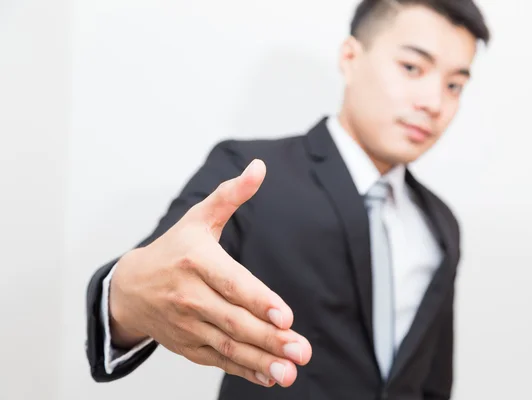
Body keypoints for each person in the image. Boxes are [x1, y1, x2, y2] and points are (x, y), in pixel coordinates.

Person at [85, 1, 490, 399]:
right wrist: (126, 294)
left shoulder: (440, 224)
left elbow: (432, 381)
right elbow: (161, 272)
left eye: (454, 85)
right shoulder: (249, 173)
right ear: (350, 57)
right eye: (412, 68)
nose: (433, 103)